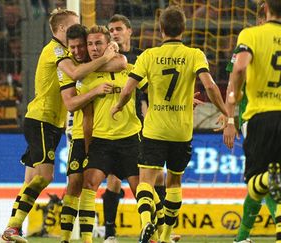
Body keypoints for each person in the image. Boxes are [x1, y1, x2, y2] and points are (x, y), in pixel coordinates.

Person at [0, 9, 118, 243]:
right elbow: (75, 73)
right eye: (75, 25)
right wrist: (104, 59)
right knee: (45, 177)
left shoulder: (67, 53)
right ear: (62, 29)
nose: (78, 31)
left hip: (51, 122)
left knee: (30, 180)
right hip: (42, 120)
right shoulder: (56, 50)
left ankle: (11, 232)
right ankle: (11, 230)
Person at [111, 6, 227, 243]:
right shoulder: (195, 54)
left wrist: (118, 106)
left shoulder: (148, 56)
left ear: (161, 29)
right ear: (183, 29)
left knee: (146, 181)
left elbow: (128, 89)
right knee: (174, 182)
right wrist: (226, 112)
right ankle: (164, 237)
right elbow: (211, 86)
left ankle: (146, 223)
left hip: (154, 129)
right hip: (181, 131)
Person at [58, 24, 126, 243]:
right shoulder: (68, 67)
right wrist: (105, 60)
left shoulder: (94, 64)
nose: (78, 51)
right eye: (74, 47)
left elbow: (122, 62)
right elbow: (71, 103)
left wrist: (109, 54)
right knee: (74, 185)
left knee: (91, 185)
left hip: (105, 135)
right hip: (79, 133)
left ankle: (90, 238)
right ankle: (65, 238)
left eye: (83, 46)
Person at [78, 25, 145, 243]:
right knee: (88, 184)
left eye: (98, 43)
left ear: (109, 45)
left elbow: (155, 90)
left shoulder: (129, 69)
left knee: (141, 188)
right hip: (102, 142)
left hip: (130, 140)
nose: (93, 48)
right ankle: (89, 238)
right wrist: (88, 150)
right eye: (90, 44)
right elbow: (87, 118)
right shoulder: (87, 79)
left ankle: (150, 233)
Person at [220, 2, 277, 242]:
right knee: (267, 179)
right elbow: (234, 77)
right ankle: (243, 236)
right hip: (250, 117)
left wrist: (229, 113)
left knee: (261, 181)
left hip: (259, 117)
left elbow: (236, 78)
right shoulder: (250, 41)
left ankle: (242, 237)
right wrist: (229, 117)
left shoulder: (252, 38)